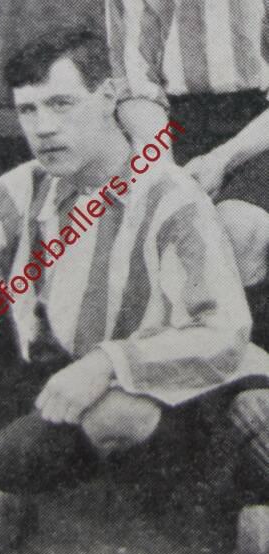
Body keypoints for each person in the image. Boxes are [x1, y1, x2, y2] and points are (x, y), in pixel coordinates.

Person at [0, 27, 269, 554]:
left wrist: (109, 362)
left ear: (108, 98)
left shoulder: (170, 198)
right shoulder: (26, 189)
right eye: (28, 110)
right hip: (55, 391)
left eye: (61, 104)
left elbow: (223, 332)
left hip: (169, 407)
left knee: (118, 411)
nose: (44, 129)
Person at [108, 0, 269, 350]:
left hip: (259, 129)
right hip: (168, 127)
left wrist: (222, 159)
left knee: (237, 230)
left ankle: (247, 369)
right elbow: (135, 84)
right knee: (152, 237)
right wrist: (163, 168)